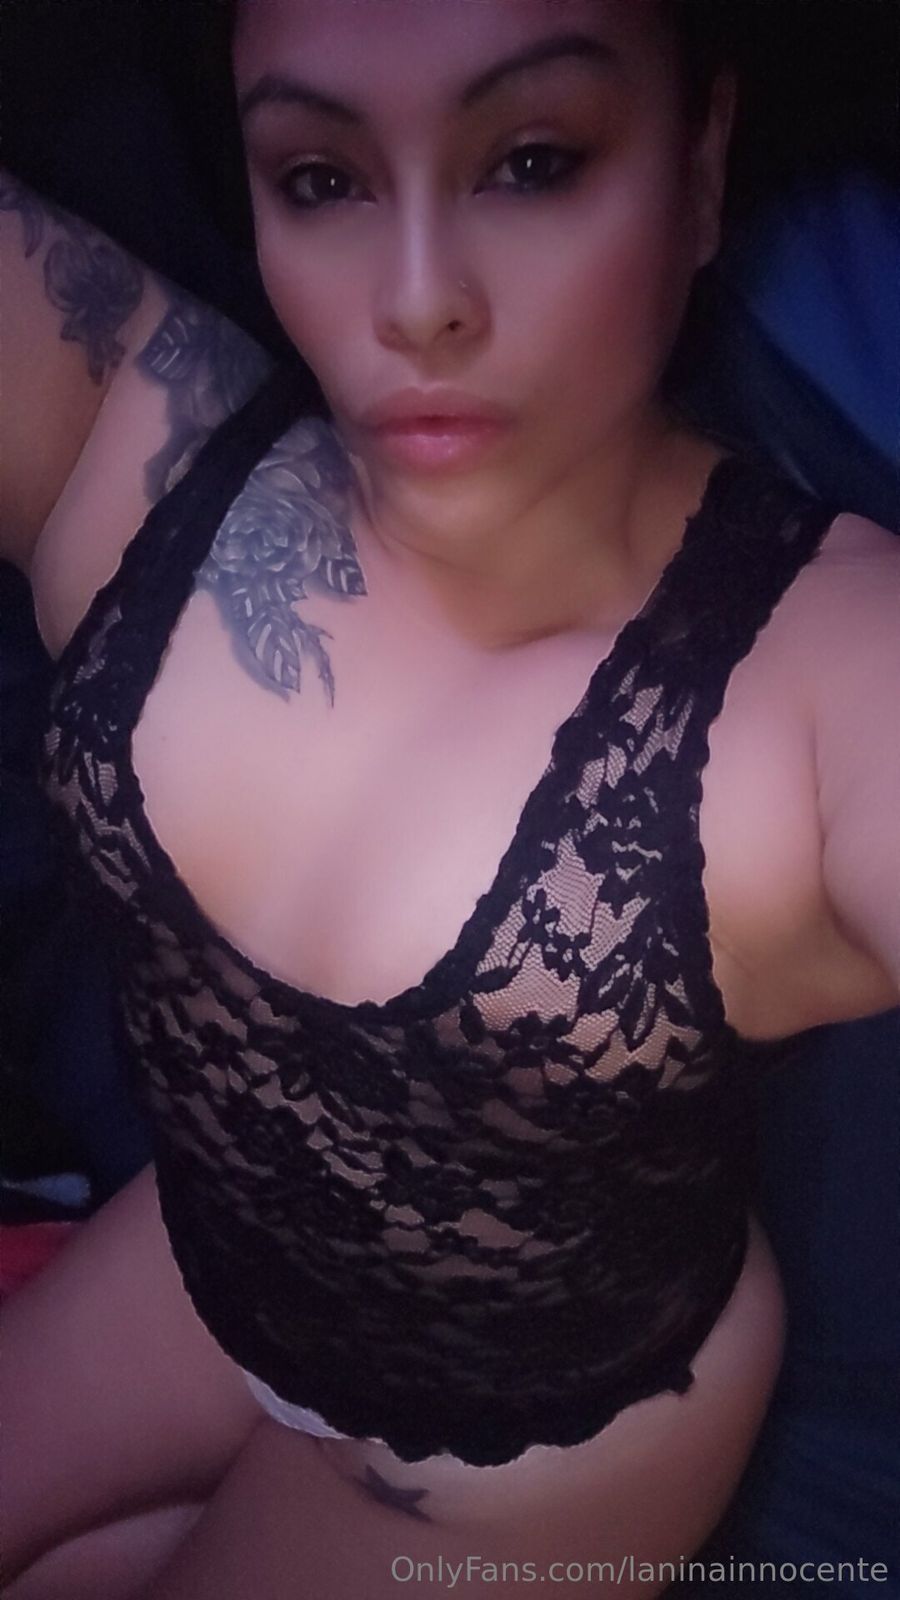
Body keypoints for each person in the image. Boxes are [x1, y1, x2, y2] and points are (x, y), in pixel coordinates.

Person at [1, 2, 897, 1595]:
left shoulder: (830, 682)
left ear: (697, 167)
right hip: (213, 1249)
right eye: (322, 179)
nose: (418, 301)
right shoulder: (142, 430)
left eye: (533, 161)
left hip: (526, 1449)